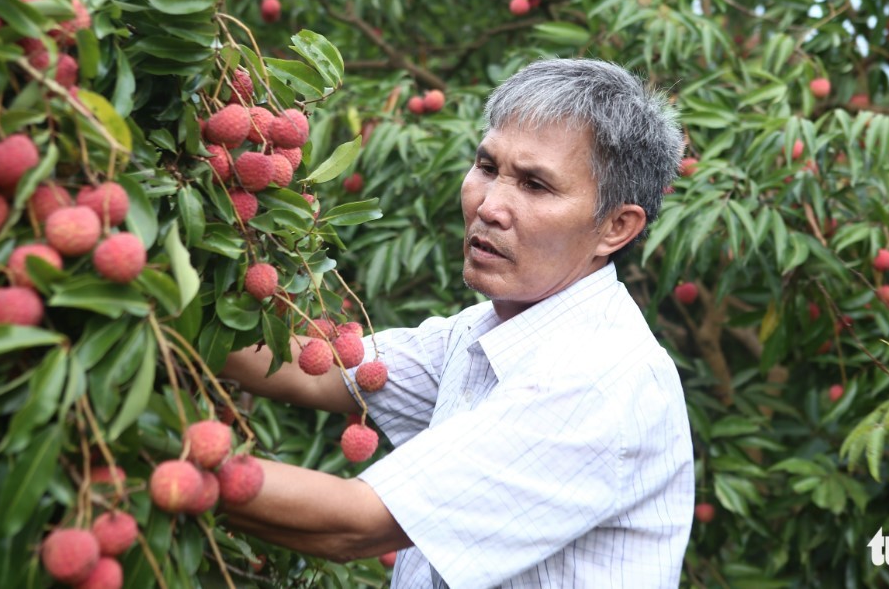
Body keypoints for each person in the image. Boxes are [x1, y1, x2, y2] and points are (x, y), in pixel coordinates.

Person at [220, 58, 694, 588]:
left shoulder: (599, 378)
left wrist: (142, 467)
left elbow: (352, 526)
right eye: (488, 168)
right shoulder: (484, 333)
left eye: (535, 186)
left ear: (616, 227)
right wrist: (157, 322)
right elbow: (322, 369)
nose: (490, 205)